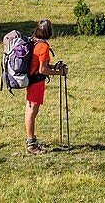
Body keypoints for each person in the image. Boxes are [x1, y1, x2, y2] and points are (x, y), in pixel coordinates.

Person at [25, 18, 66, 154]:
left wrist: (54, 67)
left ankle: (31, 139)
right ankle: (31, 144)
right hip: (36, 82)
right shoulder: (43, 47)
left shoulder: (34, 41)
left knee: (29, 110)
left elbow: (39, 65)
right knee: (32, 111)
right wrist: (60, 72)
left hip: (30, 80)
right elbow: (43, 70)